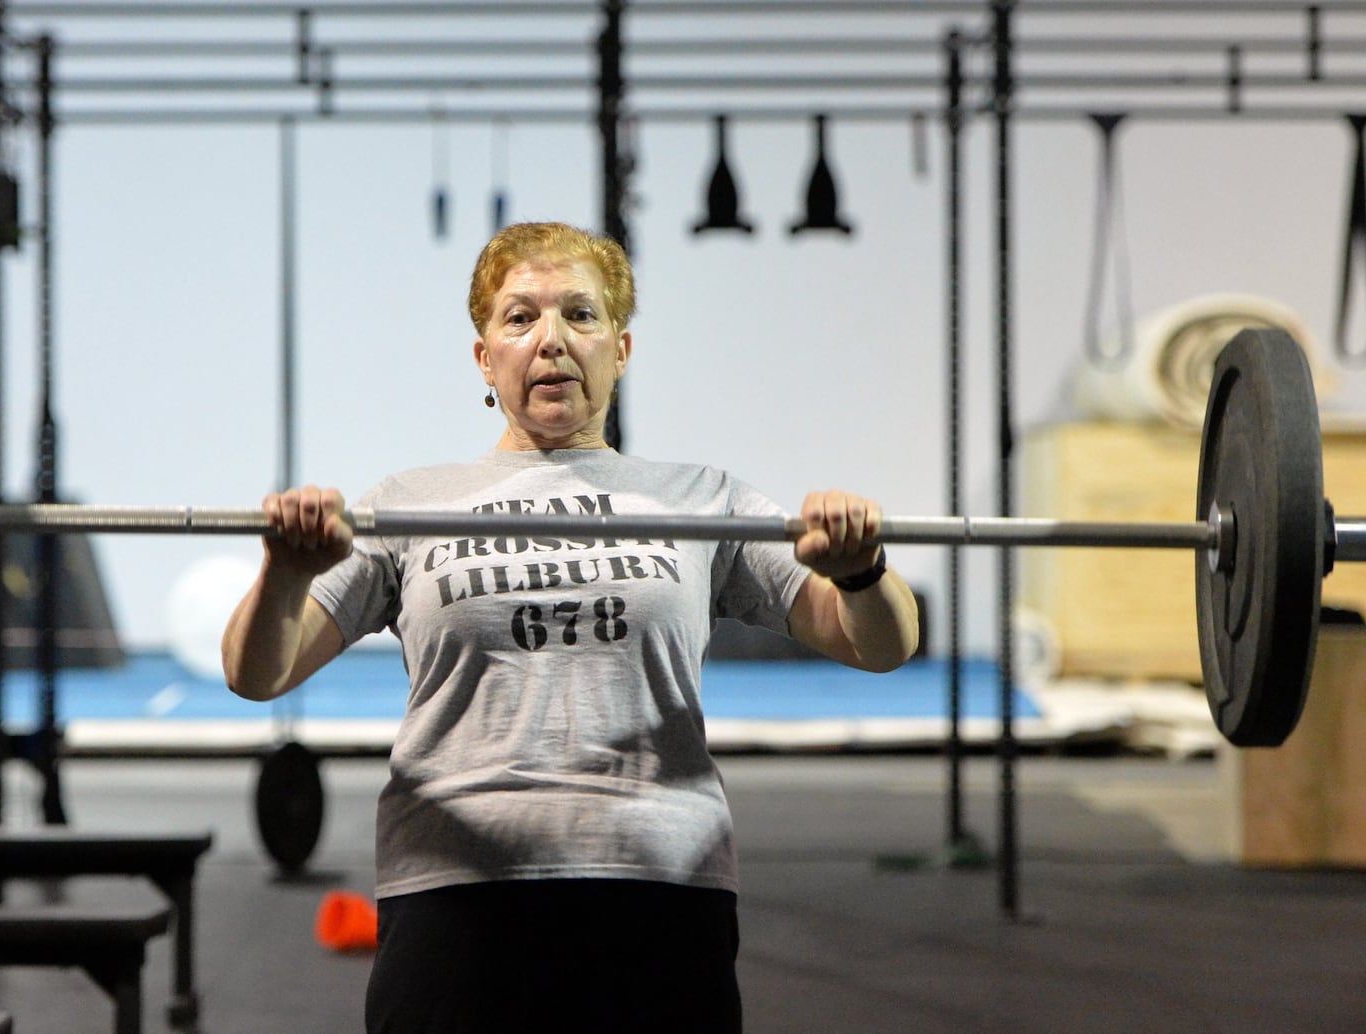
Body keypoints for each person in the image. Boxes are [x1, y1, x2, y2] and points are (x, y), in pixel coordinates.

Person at [223, 221, 919, 1033]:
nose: (551, 340)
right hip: (454, 887)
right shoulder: (411, 503)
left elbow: (881, 643)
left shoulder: (698, 498)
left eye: (580, 316)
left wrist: (860, 568)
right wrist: (287, 570)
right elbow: (257, 672)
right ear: (485, 358)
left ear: (620, 350)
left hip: (657, 886)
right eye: (521, 318)